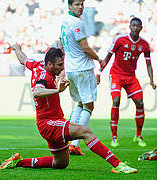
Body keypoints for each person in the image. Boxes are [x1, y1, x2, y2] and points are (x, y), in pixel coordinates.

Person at [0, 44, 137, 174]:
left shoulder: (38, 64)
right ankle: (118, 165)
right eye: (59, 65)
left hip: (51, 122)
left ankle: (19, 161)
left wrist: (17, 48)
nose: (62, 68)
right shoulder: (44, 77)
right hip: (48, 123)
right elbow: (37, 92)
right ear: (50, 64)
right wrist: (57, 90)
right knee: (85, 131)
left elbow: (23, 59)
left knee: (60, 163)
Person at [100, 17, 157, 148]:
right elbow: (108, 57)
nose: (136, 28)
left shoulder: (144, 44)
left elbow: (149, 63)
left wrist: (151, 80)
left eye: (138, 26)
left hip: (131, 77)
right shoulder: (119, 39)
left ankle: (138, 135)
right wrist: (99, 72)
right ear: (130, 27)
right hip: (116, 75)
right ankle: (114, 137)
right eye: (134, 26)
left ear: (141, 28)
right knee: (116, 101)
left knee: (140, 103)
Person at [61, 0, 101, 155]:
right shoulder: (77, 22)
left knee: (78, 103)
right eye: (77, 4)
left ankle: (68, 140)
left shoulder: (65, 21)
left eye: (82, 4)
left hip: (71, 68)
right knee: (88, 106)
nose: (80, 7)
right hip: (82, 69)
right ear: (69, 6)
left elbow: (61, 42)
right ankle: (75, 144)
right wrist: (100, 59)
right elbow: (85, 48)